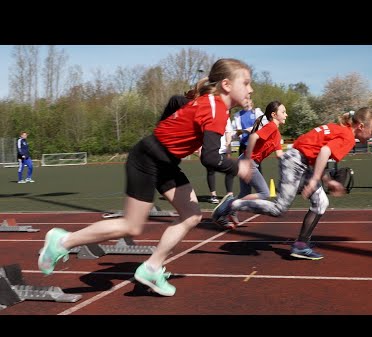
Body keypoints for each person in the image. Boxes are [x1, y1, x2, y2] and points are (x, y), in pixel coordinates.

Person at [37, 58, 254, 297]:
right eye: (245, 83)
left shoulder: (212, 104)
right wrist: (238, 167)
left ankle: (151, 268)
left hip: (165, 161)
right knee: (132, 226)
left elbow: (177, 103)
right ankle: (63, 241)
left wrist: (178, 131)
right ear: (226, 84)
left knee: (191, 215)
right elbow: (211, 159)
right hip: (147, 158)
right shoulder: (216, 109)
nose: (250, 89)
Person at [212, 108, 372, 260]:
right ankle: (233, 204)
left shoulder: (339, 129)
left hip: (299, 159)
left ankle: (301, 245)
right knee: (279, 209)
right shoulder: (348, 137)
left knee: (321, 202)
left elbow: (316, 154)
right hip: (295, 162)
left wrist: (326, 180)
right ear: (361, 126)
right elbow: (324, 152)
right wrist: (316, 180)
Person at [219, 101, 287, 227]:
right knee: (265, 193)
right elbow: (253, 137)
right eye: (283, 112)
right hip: (248, 161)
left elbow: (279, 155)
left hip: (245, 160)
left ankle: (226, 212)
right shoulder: (271, 127)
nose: (286, 115)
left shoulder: (276, 134)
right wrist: (248, 162)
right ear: (274, 114)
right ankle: (232, 206)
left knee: (244, 194)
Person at [204, 119, 236, 205]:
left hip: (223, 150)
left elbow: (228, 133)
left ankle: (229, 194)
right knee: (210, 172)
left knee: (230, 170)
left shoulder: (226, 117)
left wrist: (229, 148)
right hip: (210, 150)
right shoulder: (208, 116)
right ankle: (213, 195)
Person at [232, 99, 266, 170]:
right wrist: (238, 133)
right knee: (243, 169)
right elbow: (233, 134)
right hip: (243, 146)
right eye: (244, 101)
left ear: (251, 102)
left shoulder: (257, 112)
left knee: (256, 169)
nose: (246, 102)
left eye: (248, 100)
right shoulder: (237, 115)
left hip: (255, 145)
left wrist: (252, 129)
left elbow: (264, 124)